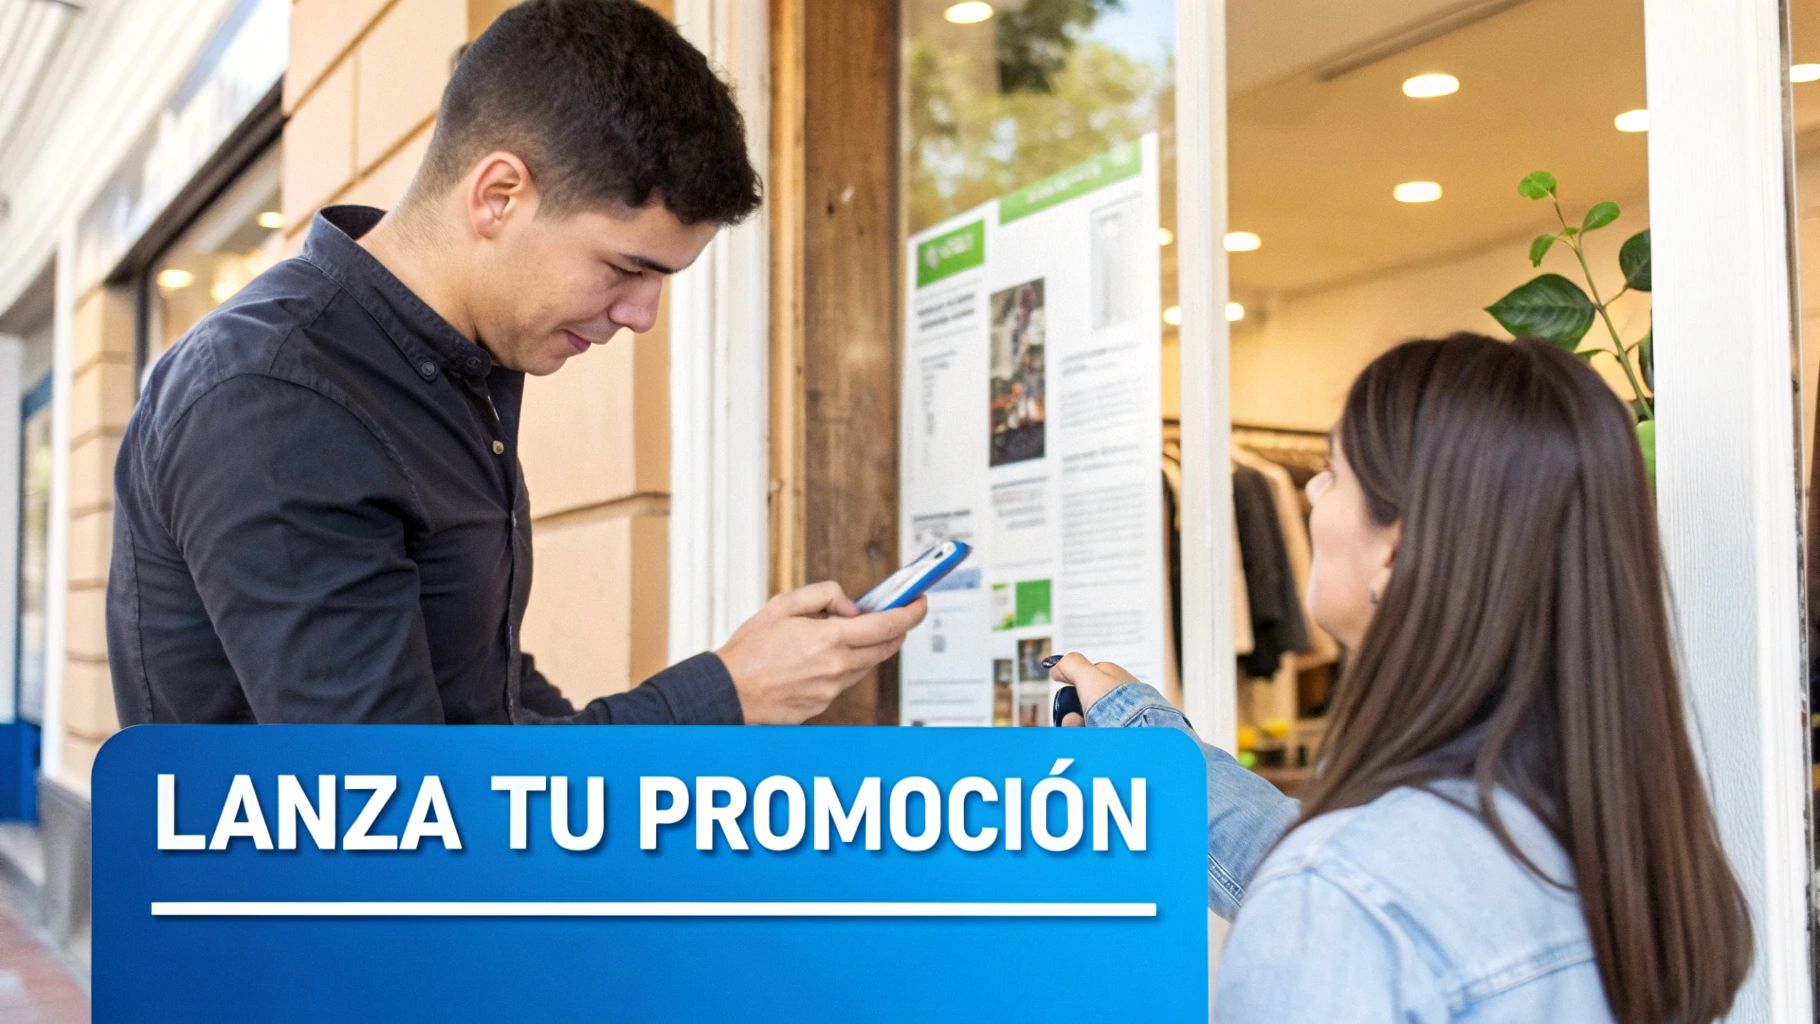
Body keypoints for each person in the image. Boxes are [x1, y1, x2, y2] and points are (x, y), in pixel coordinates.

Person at [107, 0, 924, 725]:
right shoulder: (277, 400)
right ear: (499, 195)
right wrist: (725, 695)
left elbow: (481, 703)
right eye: (627, 268)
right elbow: (394, 818)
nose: (642, 317)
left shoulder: (448, 374)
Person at [1051, 334, 1752, 1022]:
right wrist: (1151, 750)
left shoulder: (1338, 899)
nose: (1313, 493)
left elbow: (1348, 896)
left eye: (1333, 472)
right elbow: (1372, 879)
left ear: (1395, 550)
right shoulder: (1637, 856)